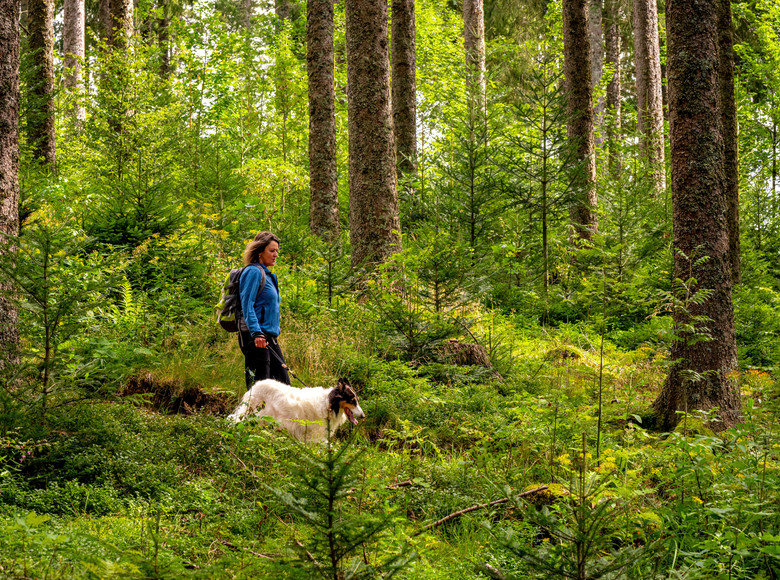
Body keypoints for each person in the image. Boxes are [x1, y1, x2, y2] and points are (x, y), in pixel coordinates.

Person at [238, 232, 290, 388]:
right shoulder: (253, 272)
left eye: (277, 251)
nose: (275, 255)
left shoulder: (268, 275)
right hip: (256, 338)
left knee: (283, 385)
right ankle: (251, 413)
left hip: (269, 337)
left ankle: (274, 413)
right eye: (272, 251)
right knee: (260, 389)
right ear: (260, 251)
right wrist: (257, 333)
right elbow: (247, 305)